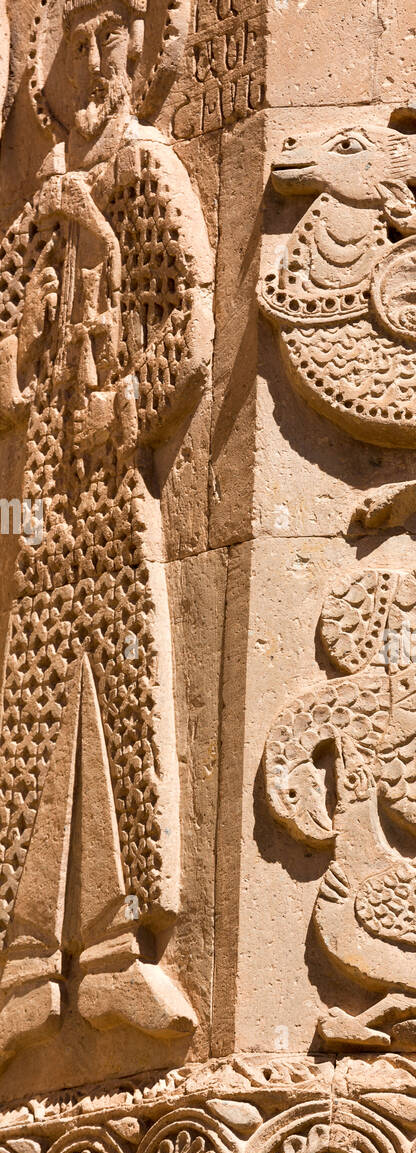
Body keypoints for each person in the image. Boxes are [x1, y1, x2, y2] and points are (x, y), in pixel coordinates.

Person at [0, 0, 214, 1065]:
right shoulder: (36, 205)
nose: (97, 56)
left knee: (122, 694)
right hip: (40, 495)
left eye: (113, 33)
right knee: (34, 696)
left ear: (141, 48)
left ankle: (122, 953)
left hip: (105, 476)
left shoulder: (146, 174)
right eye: (77, 37)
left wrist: (119, 409)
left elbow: (187, 328)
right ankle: (29, 966)